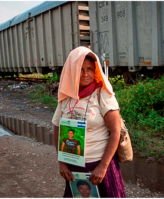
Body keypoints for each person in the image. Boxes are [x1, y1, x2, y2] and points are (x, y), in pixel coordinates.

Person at [52, 46, 126, 197]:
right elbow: (57, 128)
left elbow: (115, 132)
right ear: (72, 70)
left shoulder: (103, 95)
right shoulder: (66, 97)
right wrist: (62, 162)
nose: (85, 74)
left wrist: (103, 167)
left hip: (99, 166)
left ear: (95, 71)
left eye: (90, 69)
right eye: (80, 69)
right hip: (73, 167)